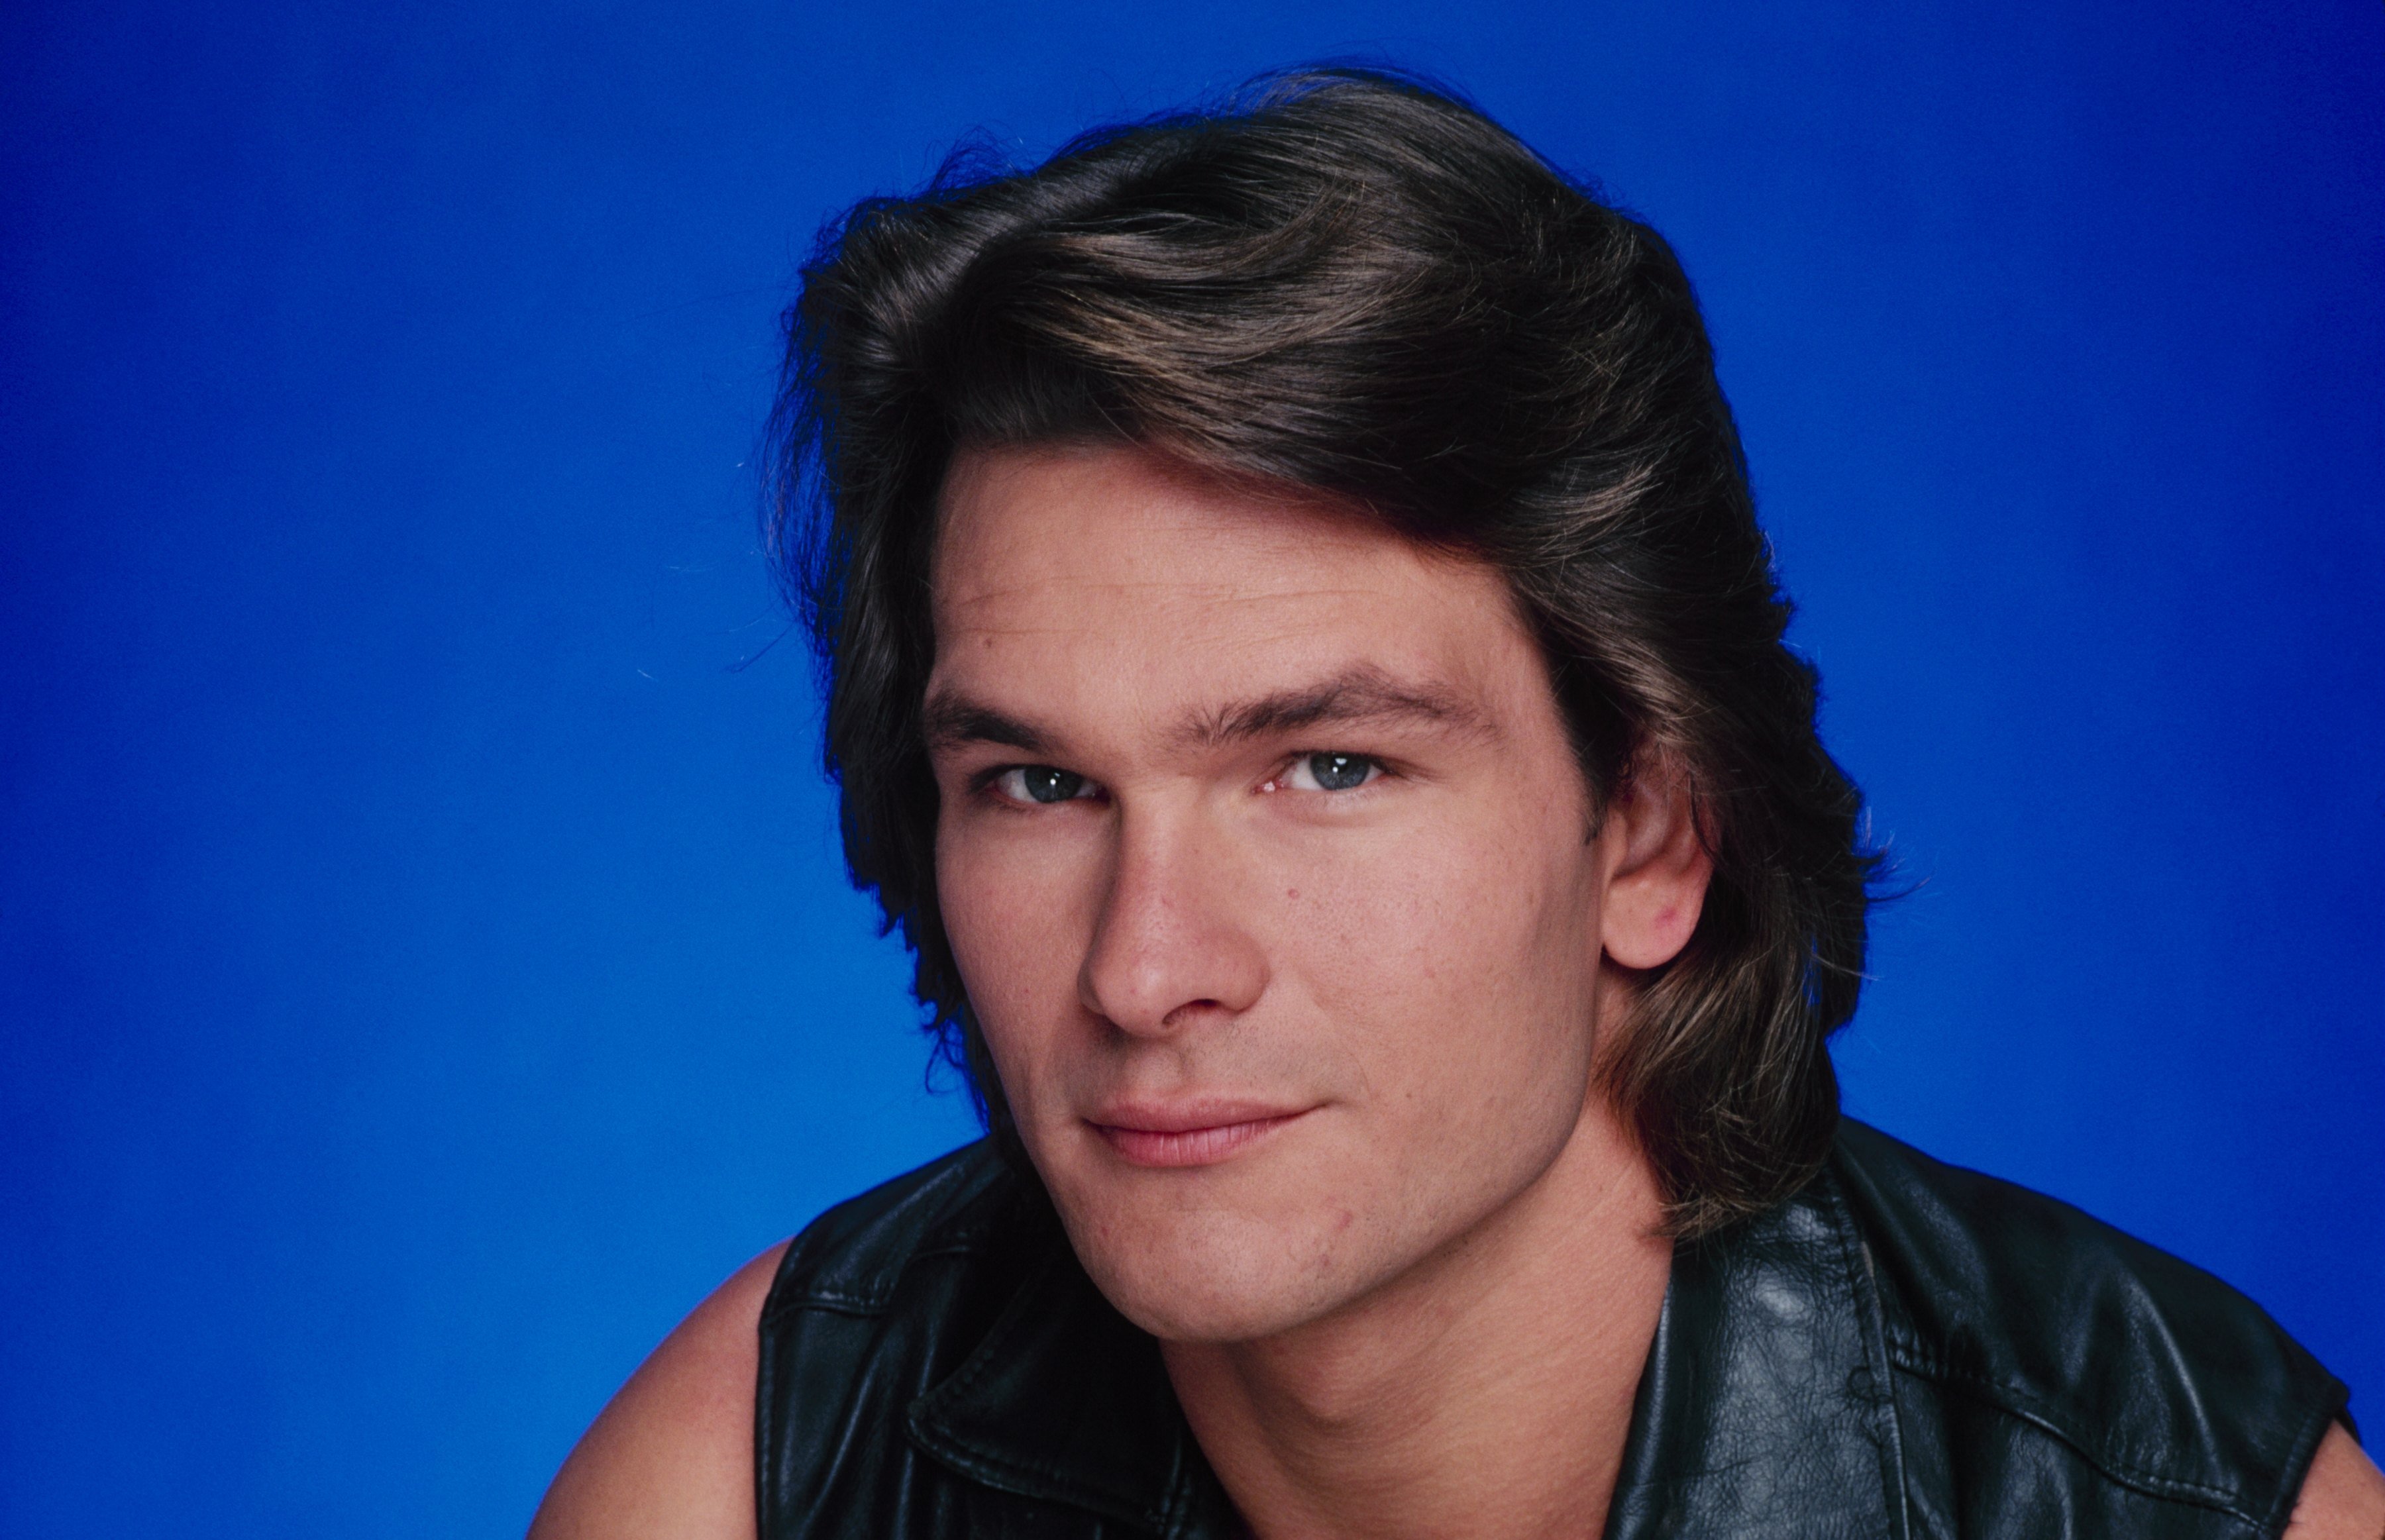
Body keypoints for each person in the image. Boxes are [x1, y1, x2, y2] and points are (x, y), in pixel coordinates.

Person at [529, 70, 2383, 1539]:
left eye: (1329, 767)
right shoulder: (761, 1476)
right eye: (1036, 782)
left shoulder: (2161, 1504)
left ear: (1650, 834)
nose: (1144, 969)